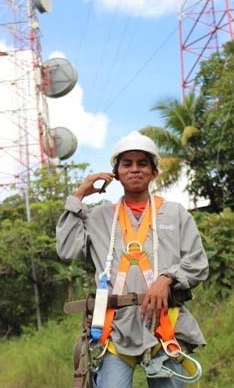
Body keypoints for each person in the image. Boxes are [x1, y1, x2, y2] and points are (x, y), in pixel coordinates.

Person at [56, 131, 208, 388]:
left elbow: (197, 263)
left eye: (142, 163)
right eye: (127, 164)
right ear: (116, 173)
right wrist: (78, 196)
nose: (135, 169)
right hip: (115, 329)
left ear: (154, 172)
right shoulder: (99, 218)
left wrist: (167, 278)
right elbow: (68, 249)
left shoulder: (175, 213)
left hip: (165, 325)